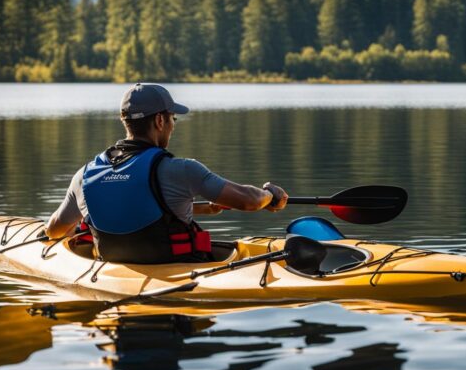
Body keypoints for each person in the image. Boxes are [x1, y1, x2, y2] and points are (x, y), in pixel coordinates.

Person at [45, 83, 288, 264]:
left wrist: (198, 208)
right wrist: (270, 195)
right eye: (173, 118)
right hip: (179, 272)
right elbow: (249, 200)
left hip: (115, 273)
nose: (173, 126)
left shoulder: (85, 175)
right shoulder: (181, 170)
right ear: (160, 121)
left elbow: (53, 230)